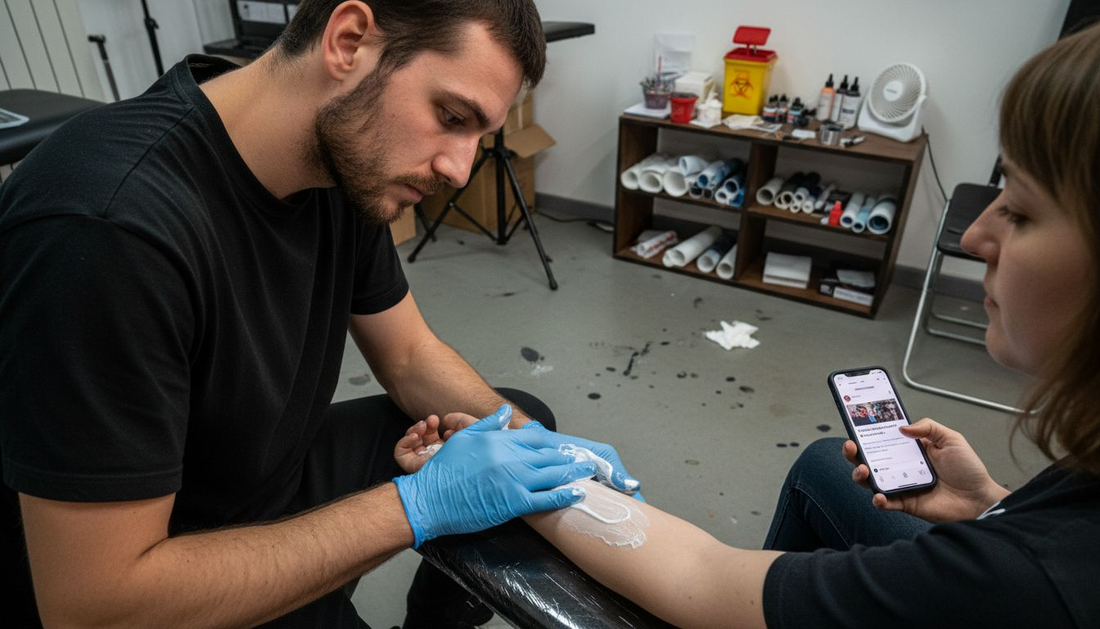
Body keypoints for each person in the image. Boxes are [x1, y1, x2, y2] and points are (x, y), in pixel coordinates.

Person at [416, 22, 1100, 628]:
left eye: (1022, 211)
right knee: (825, 466)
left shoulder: (1019, 582)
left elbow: (703, 581)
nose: (977, 234)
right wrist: (990, 504)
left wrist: (525, 479)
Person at [0, 1, 639, 627]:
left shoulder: (341, 163)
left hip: (261, 472)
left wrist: (536, 445)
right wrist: (416, 506)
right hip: (165, 550)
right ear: (349, 41)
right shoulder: (107, 228)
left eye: (477, 136)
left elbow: (409, 354)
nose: (459, 168)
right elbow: (96, 607)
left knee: (516, 420)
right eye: (449, 116)